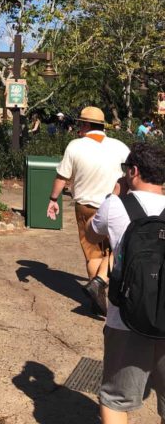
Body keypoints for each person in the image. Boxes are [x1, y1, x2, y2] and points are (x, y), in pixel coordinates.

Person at [85, 141, 165, 423]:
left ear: (133, 171)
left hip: (126, 320)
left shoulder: (115, 205)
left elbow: (91, 235)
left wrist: (114, 195)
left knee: (116, 401)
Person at [46, 106, 129, 314]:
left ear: (84, 125)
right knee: (119, 249)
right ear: (102, 126)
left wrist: (53, 199)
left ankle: (97, 292)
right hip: (116, 205)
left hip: (86, 207)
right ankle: (102, 286)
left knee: (93, 254)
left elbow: (62, 177)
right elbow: (131, 174)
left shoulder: (75, 146)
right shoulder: (120, 146)